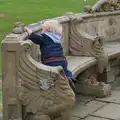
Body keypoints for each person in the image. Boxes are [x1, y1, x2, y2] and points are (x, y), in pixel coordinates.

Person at [24, 19, 76, 92]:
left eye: (42, 29)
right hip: (62, 60)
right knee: (66, 71)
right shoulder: (57, 38)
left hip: (50, 61)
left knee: (48, 75)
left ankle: (46, 89)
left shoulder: (45, 37)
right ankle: (69, 78)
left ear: (47, 29)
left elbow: (36, 38)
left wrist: (29, 31)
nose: (41, 31)